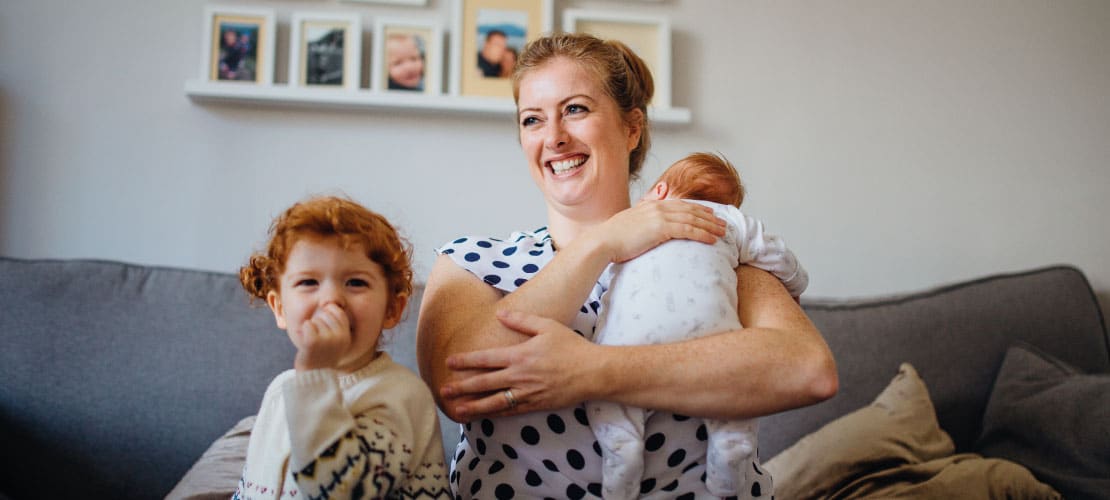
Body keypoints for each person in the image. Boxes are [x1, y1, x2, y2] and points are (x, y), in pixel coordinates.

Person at [417, 33, 838, 499]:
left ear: (631, 128)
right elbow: (457, 386)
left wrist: (593, 370)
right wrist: (603, 242)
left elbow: (808, 370)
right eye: (532, 119)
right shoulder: (474, 261)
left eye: (575, 109)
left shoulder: (701, 239)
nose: (554, 137)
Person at [589, 152, 807, 499]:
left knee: (607, 399)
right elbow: (777, 255)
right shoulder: (730, 221)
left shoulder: (629, 227)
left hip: (628, 339)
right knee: (732, 384)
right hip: (707, 335)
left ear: (658, 191)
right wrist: (795, 288)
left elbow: (598, 277)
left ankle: (622, 458)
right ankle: (730, 446)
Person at [234, 195, 451, 500]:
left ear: (392, 308)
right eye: (309, 282)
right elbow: (249, 488)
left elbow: (342, 490)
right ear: (279, 307)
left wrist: (315, 373)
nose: (331, 299)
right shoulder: (281, 391)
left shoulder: (400, 395)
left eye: (355, 283)